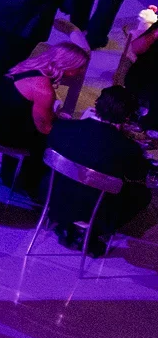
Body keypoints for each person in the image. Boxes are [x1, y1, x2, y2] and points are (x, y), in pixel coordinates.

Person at [45, 85, 150, 255]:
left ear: (96, 104)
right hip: (95, 210)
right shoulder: (127, 148)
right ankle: (94, 231)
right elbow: (136, 175)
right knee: (143, 195)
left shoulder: (63, 128)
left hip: (53, 197)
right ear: (127, 116)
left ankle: (65, 223)